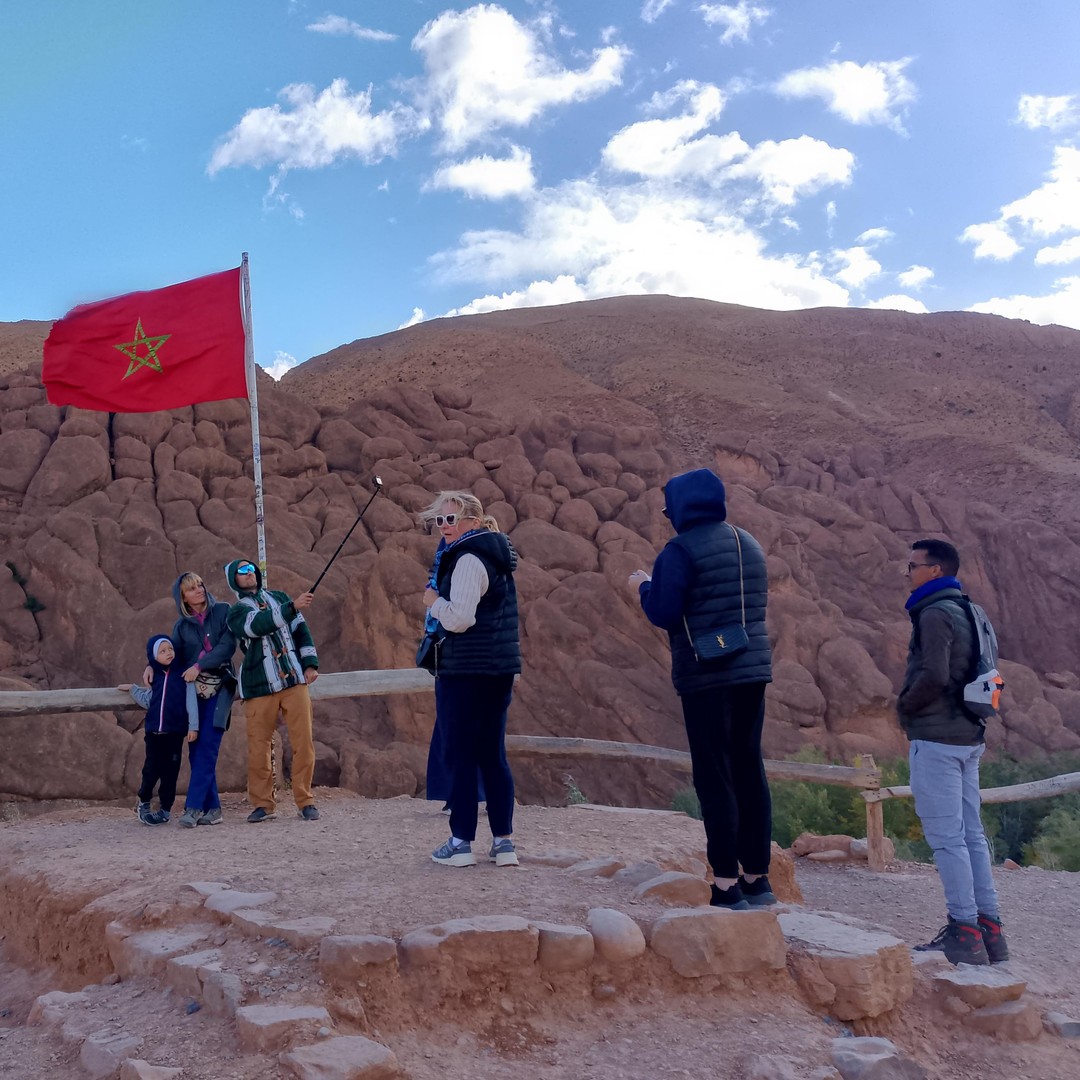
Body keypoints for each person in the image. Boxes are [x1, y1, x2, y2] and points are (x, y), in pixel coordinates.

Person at [628, 468, 774, 909]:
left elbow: (666, 612)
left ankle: (726, 885)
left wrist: (642, 587)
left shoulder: (680, 550)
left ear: (682, 506)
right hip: (752, 669)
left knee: (715, 775)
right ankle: (757, 880)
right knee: (749, 769)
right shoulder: (746, 541)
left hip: (708, 673)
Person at [899, 538, 1008, 966]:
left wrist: (904, 707)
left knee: (948, 840)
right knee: (972, 836)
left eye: (913, 565)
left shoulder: (934, 612)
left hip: (938, 739)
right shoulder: (973, 611)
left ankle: (964, 931)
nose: (907, 572)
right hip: (969, 735)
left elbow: (934, 675)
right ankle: (990, 929)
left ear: (935, 570)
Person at [421, 491, 520, 868]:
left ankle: (461, 842)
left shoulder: (467, 559)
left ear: (473, 523)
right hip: (498, 670)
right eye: (440, 520)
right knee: (493, 755)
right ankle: (504, 842)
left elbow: (461, 618)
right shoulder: (498, 557)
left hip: (464, 671)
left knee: (461, 754)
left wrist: (433, 602)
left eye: (452, 519)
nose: (445, 527)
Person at [224, 558, 321, 823]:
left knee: (304, 742)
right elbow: (257, 625)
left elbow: (301, 630)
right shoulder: (236, 612)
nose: (249, 573)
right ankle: (263, 804)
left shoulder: (280, 597)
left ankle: (305, 800)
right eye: (242, 571)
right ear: (234, 579)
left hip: (294, 681)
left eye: (251, 568)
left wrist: (310, 664)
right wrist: (292, 607)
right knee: (259, 747)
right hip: (258, 687)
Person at [171, 571, 237, 828]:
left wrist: (199, 665)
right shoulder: (181, 626)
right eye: (191, 588)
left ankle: (193, 807)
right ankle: (214, 808)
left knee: (208, 744)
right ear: (183, 598)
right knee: (196, 750)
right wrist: (152, 665)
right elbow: (173, 657)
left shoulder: (223, 611)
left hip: (221, 685)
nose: (199, 590)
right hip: (193, 693)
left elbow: (227, 646)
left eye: (200, 585)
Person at [120, 636, 198, 825]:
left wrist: (193, 726)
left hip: (175, 733)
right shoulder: (155, 675)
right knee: (151, 770)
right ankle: (144, 802)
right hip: (154, 733)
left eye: (169, 648)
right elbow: (149, 701)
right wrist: (133, 689)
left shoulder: (183, 674)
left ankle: (165, 810)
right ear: (154, 656)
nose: (168, 653)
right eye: (162, 651)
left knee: (170, 772)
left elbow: (191, 702)